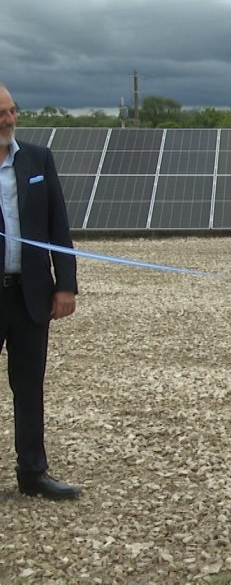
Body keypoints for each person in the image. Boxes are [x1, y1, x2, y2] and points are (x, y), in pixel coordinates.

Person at [0, 83, 81, 500]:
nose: (10, 120)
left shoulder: (37, 158)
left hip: (30, 294)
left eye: (13, 111)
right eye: (2, 114)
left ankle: (32, 471)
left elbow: (58, 227)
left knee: (29, 387)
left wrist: (65, 284)